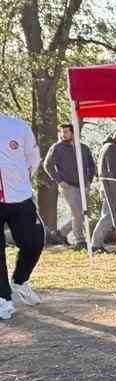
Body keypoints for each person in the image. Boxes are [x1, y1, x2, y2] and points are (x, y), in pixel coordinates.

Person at [0, 112, 44, 322]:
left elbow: (32, 159)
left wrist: (21, 182)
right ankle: (3, 298)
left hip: (19, 197)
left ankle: (19, 281)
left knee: (33, 242)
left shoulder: (17, 126)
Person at [40, 122, 97, 249]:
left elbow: (92, 166)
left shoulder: (83, 148)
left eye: (66, 131)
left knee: (83, 213)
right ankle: (80, 241)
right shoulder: (57, 147)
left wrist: (89, 181)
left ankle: (61, 233)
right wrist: (59, 181)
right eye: (61, 132)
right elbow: (47, 165)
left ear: (73, 132)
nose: (63, 134)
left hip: (83, 185)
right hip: (68, 186)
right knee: (77, 213)